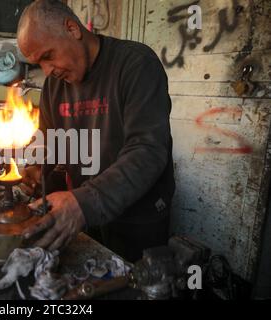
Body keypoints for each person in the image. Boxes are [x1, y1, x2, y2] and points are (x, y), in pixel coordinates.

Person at [17, 0, 175, 263]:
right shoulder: (54, 87)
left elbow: (147, 151)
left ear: (72, 28)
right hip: (86, 217)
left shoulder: (136, 65)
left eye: (48, 56)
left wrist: (83, 204)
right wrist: (34, 166)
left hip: (138, 219)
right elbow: (49, 142)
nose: (47, 71)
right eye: (38, 63)